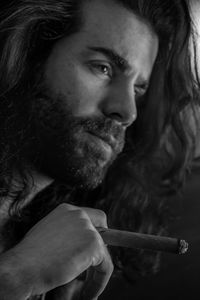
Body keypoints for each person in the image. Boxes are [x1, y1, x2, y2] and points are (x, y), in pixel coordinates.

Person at [0, 0, 198, 299]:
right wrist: (15, 277)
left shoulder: (60, 261)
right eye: (102, 68)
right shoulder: (23, 267)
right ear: (30, 56)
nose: (127, 111)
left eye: (137, 89)